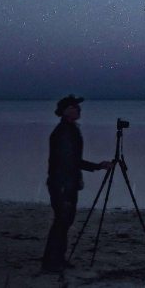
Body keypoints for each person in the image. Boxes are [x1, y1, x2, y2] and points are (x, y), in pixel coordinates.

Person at [41, 94, 112, 274]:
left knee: (64, 221)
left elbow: (72, 160)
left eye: (78, 107)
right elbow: (68, 160)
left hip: (65, 181)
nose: (78, 110)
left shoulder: (70, 129)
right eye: (74, 107)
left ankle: (57, 259)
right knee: (62, 221)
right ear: (65, 111)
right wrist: (95, 167)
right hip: (62, 183)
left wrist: (87, 171)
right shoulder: (65, 131)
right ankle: (51, 262)